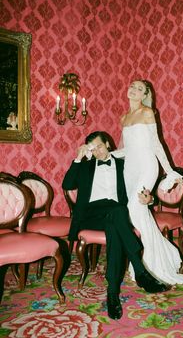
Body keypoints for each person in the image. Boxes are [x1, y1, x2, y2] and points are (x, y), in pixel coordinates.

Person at [62, 131, 170, 320]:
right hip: (91, 214)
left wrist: (149, 199)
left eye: (100, 146)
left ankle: (112, 293)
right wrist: (78, 158)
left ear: (108, 145)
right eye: (93, 149)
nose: (97, 152)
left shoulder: (124, 166)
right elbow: (67, 183)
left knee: (116, 220)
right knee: (118, 215)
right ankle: (140, 271)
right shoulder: (85, 167)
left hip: (115, 213)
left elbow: (141, 188)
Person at [112, 79, 183, 285]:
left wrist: (170, 170)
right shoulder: (124, 117)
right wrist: (101, 154)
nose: (134, 90)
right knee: (135, 213)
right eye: (132, 86)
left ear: (145, 94)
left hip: (147, 165)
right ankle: (157, 256)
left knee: (136, 209)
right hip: (130, 167)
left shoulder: (147, 112)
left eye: (139, 88)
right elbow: (124, 149)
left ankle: (153, 263)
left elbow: (156, 144)